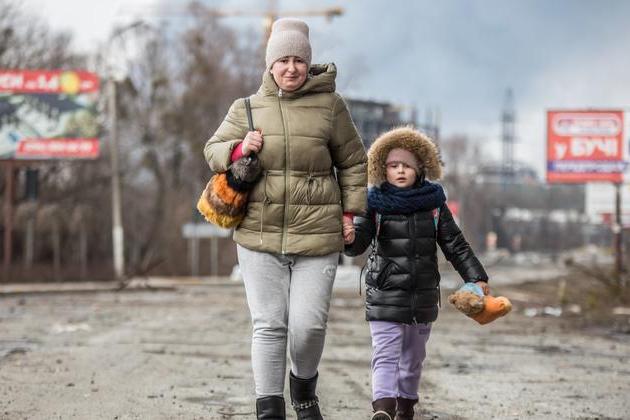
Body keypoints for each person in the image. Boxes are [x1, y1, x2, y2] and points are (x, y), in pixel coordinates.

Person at [204, 18, 367, 420]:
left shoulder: (331, 106)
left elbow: (352, 162)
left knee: (308, 326)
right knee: (269, 324)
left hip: (318, 235)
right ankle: (269, 407)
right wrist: (240, 147)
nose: (291, 68)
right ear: (270, 64)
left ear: (308, 64)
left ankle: (304, 388)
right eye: (283, 60)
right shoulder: (246, 108)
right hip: (258, 234)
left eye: (298, 60)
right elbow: (212, 150)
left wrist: (350, 213)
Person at [344, 127, 489, 420]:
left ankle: (405, 408)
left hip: (422, 297)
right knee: (385, 355)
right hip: (384, 294)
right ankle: (383, 409)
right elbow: (358, 243)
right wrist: (348, 238)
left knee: (412, 359)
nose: (400, 171)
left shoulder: (434, 206)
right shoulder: (373, 204)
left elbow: (455, 245)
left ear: (420, 169)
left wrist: (476, 277)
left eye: (407, 166)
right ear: (382, 169)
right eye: (393, 165)